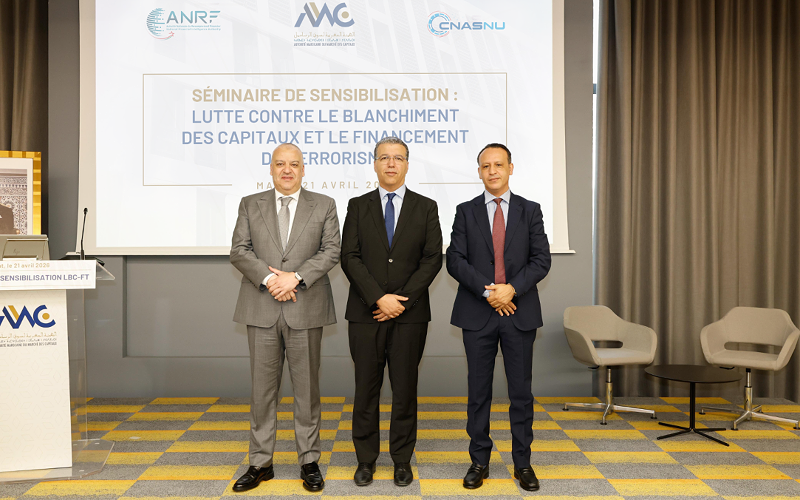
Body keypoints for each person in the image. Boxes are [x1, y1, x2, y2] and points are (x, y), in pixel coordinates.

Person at [230, 143, 340, 493]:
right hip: (261, 306)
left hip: (306, 307)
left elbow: (332, 250)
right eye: (280, 164)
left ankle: (309, 460)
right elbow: (239, 251)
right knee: (262, 392)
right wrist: (270, 279)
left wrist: (295, 278)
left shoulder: (324, 204)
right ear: (271, 169)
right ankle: (260, 463)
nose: (287, 170)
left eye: (294, 164)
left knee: (307, 391)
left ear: (304, 169)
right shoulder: (250, 204)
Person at [446, 143, 551, 491]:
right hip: (478, 313)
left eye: (498, 165)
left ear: (510, 168)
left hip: (519, 312)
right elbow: (455, 260)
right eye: (486, 166)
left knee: (521, 393)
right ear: (479, 172)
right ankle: (479, 461)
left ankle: (523, 463)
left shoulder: (530, 210)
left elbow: (541, 259)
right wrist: (490, 292)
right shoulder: (465, 211)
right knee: (479, 393)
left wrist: (511, 290)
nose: (492, 171)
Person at [340, 137, 442, 487]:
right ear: (375, 164)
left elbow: (432, 259)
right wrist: (377, 298)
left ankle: (401, 459)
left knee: (404, 390)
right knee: (365, 390)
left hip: (409, 316)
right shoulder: (357, 206)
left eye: (398, 158)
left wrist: (401, 300)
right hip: (365, 314)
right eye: (384, 157)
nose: (391, 163)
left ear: (407, 165)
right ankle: (365, 459)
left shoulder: (426, 207)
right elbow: (349, 256)